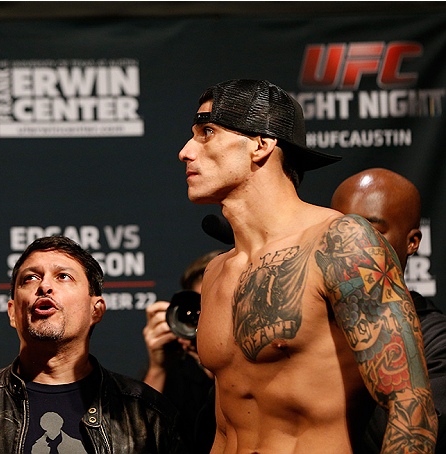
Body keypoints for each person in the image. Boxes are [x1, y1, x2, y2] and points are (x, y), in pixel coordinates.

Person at [178, 79, 437, 453]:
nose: (186, 152)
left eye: (207, 132)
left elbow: (410, 407)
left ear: (260, 144)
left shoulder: (340, 242)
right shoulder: (217, 271)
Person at [0, 235, 188, 453]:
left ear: (96, 310)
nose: (44, 286)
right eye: (30, 278)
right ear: (12, 312)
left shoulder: (149, 414)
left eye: (63, 276)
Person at [330, 168, 446, 452]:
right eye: (341, 230)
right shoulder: (305, 320)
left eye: (370, 231)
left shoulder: (435, 339)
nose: (352, 246)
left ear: (412, 242)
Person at [142, 251, 219, 450]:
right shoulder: (174, 369)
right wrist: (158, 368)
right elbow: (138, 438)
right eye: (200, 308)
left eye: (217, 305)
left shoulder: (263, 367)